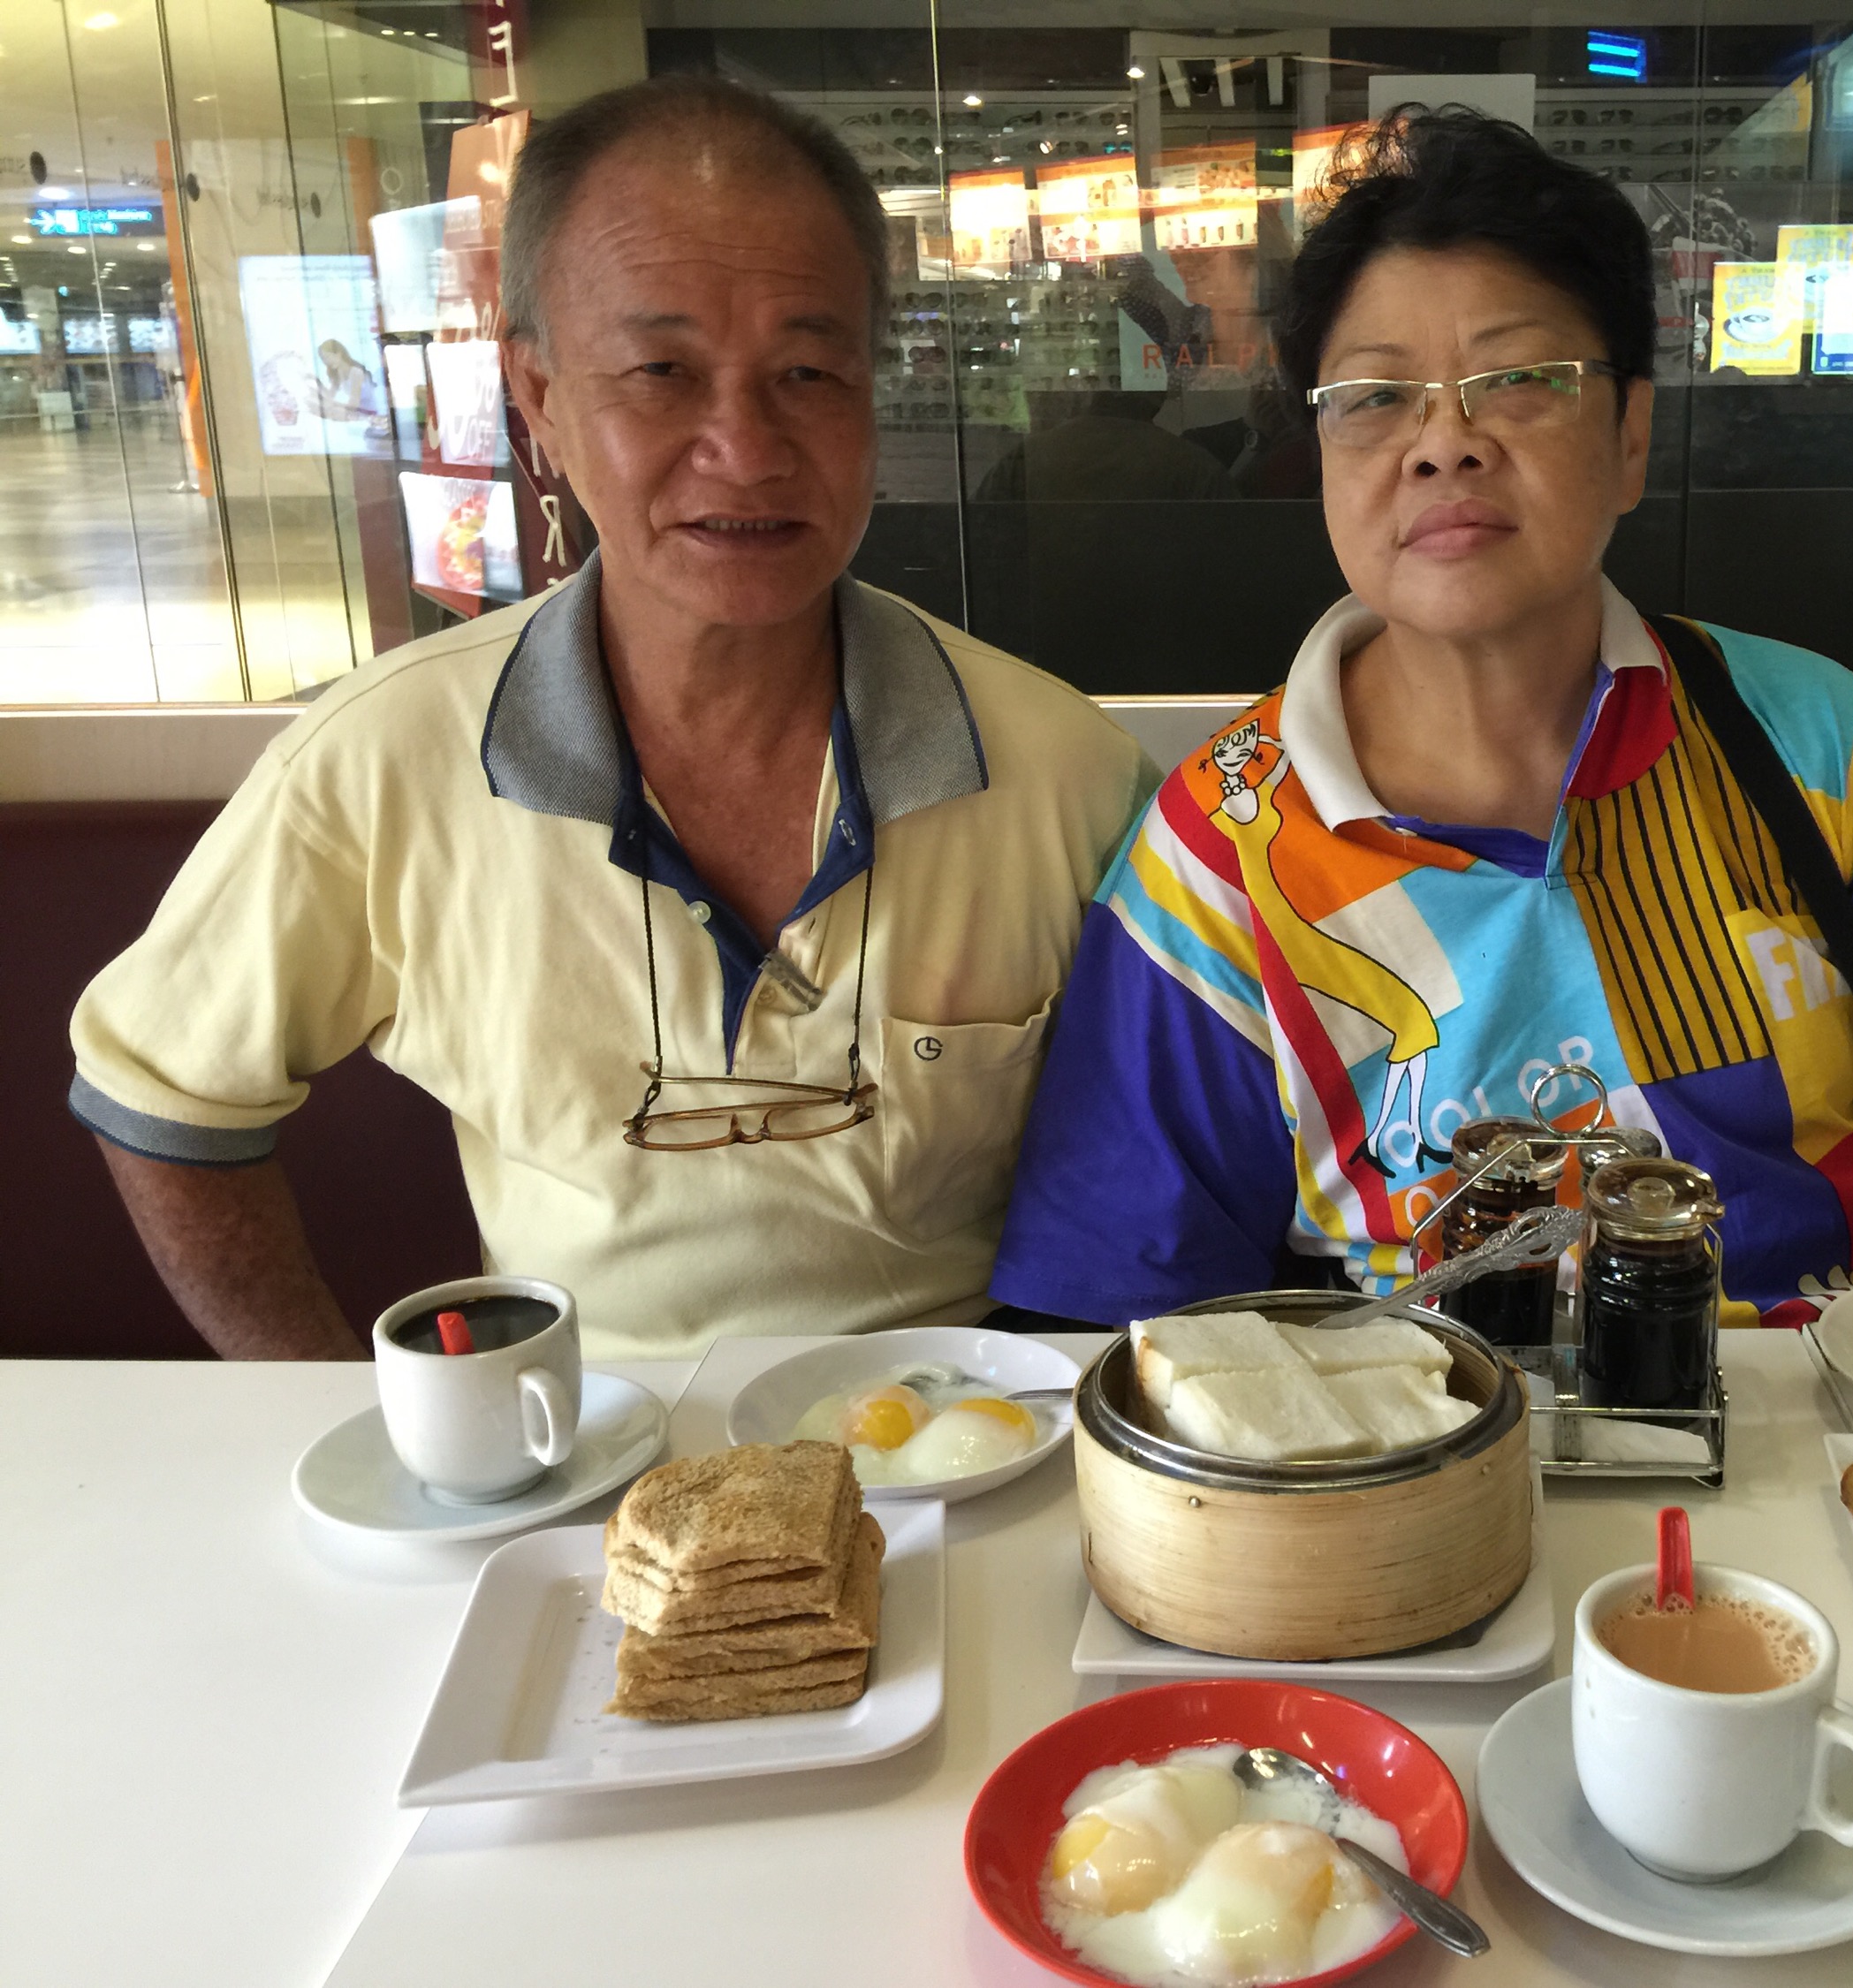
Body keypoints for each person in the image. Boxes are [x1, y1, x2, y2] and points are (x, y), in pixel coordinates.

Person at [990, 109, 1853, 1329]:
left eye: (1519, 382)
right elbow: (1135, 1319)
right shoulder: (1220, 850)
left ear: (1631, 437)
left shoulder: (1808, 739)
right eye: (1375, 397)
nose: (1444, 444)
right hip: (1465, 1465)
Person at [70, 77, 1155, 1362]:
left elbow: (1162, 1175)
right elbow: (159, 1098)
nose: (745, 448)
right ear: (538, 397)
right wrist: (339, 1410)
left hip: (964, 1446)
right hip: (578, 1460)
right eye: (662, 371)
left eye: (808, 370)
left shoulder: (1067, 772)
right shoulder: (378, 763)